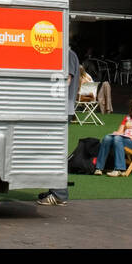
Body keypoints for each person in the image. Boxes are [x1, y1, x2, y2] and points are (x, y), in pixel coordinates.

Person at [38, 40, 82, 206]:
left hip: (62, 110)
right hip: (61, 110)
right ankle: (55, 190)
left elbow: (66, 80)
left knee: (55, 151)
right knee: (52, 150)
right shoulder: (69, 55)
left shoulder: (68, 55)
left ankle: (59, 193)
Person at [94, 96, 132, 176]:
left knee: (117, 139)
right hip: (123, 139)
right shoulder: (128, 117)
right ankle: (99, 168)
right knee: (107, 138)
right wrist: (116, 133)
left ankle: (119, 169)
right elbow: (120, 131)